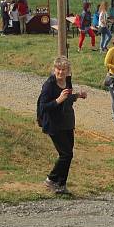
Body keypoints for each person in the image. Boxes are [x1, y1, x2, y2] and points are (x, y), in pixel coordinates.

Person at [37, 57, 88, 194]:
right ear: (54, 70)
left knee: (68, 155)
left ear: (68, 71)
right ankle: (50, 180)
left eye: (63, 69)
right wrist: (58, 100)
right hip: (54, 124)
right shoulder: (49, 85)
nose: (60, 72)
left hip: (67, 122)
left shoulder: (68, 80)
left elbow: (67, 99)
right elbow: (43, 107)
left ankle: (61, 185)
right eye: (58, 69)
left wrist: (78, 95)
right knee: (66, 154)